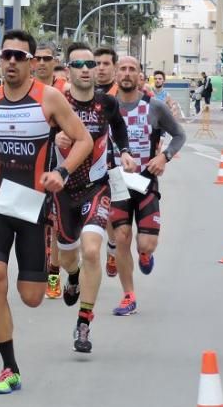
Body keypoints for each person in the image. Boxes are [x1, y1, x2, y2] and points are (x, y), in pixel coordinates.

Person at [0, 30, 93, 394]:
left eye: (19, 56)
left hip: (34, 206)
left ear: (32, 62)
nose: (11, 62)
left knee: (31, 296)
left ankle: (71, 274)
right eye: (6, 55)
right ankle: (9, 366)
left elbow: (83, 139)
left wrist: (61, 172)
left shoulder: (49, 99)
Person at [52, 43, 135, 353]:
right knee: (68, 257)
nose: (86, 69)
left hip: (96, 186)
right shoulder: (56, 101)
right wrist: (55, 137)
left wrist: (124, 152)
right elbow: (42, 134)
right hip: (62, 190)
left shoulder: (107, 103)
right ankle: (71, 276)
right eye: (79, 64)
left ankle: (84, 322)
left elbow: (119, 128)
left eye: (91, 64)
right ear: (69, 70)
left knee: (91, 251)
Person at [108, 56, 186, 316]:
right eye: (123, 69)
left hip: (145, 182)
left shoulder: (154, 107)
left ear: (141, 75)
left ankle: (144, 254)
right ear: (116, 74)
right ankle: (128, 295)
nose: (127, 73)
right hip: (117, 182)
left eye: (133, 69)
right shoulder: (106, 107)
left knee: (146, 243)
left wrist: (164, 157)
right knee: (121, 238)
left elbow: (180, 135)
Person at [32, 41, 66, 300]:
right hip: (29, 165)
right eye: (38, 58)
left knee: (54, 225)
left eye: (47, 58)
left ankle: (53, 273)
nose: (42, 63)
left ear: (55, 61)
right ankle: (36, 270)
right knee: (35, 223)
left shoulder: (65, 89)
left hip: (57, 165)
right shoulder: (24, 87)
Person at [93, 47, 120, 278]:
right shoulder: (85, 91)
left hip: (116, 163)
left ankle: (112, 247)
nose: (100, 68)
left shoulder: (122, 93)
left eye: (105, 63)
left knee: (111, 212)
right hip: (87, 162)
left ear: (114, 67)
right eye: (97, 63)